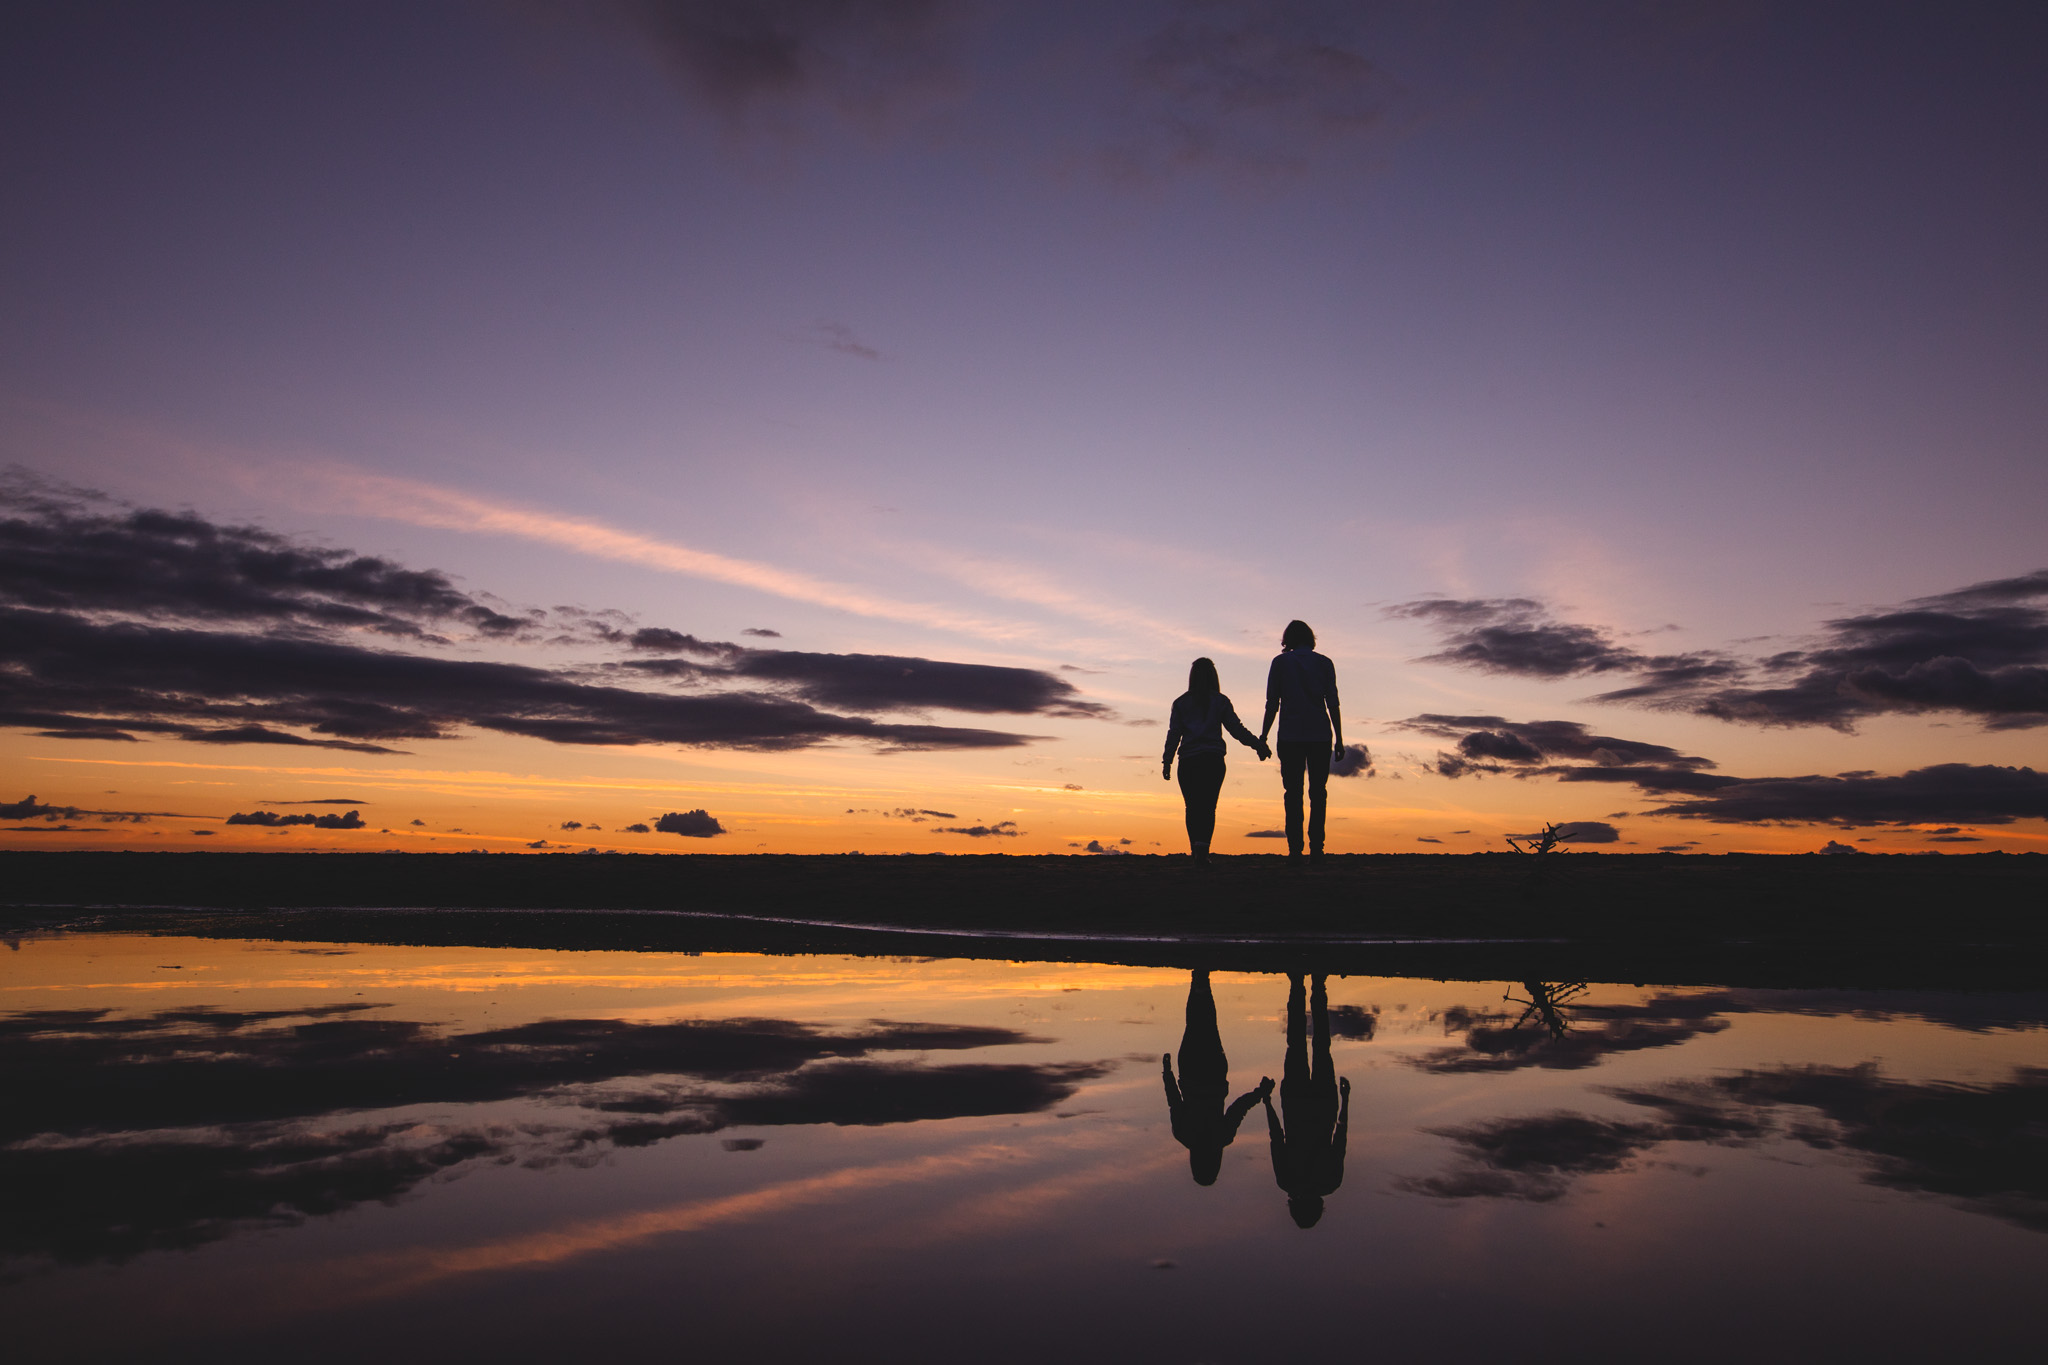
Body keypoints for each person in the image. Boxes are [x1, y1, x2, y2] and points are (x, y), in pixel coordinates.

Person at [1162, 970, 1272, 1185]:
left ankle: (1202, 981)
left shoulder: (1222, 1138)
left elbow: (1239, 1108)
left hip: (1213, 1076)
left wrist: (1260, 1093)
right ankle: (1199, 982)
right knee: (1195, 1025)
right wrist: (1167, 1073)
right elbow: (1174, 1101)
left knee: (1207, 1025)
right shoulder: (1185, 1136)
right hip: (1192, 1073)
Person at [1259, 972, 1350, 1228]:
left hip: (1323, 1105)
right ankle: (1297, 984)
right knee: (1296, 1043)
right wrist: (1267, 1102)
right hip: (1296, 1103)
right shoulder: (1286, 1182)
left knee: (1321, 1046)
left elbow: (1340, 1138)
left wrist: (1345, 1100)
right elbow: (1276, 1137)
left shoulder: (1330, 1183)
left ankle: (1318, 985)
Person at [1163, 657, 1269, 862]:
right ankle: (1202, 851)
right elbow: (1237, 729)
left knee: (1192, 807)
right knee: (1208, 807)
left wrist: (1167, 760)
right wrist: (1258, 744)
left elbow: (1174, 734)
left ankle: (1196, 851)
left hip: (1189, 761)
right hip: (1213, 760)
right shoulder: (1220, 701)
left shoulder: (1181, 703)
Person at [1259, 620, 1342, 860]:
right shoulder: (1325, 663)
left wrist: (1263, 735)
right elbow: (1333, 703)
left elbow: (1272, 703)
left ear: (1288, 639)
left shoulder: (1280, 663)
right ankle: (1317, 847)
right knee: (1319, 791)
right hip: (1319, 734)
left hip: (1290, 735)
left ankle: (1295, 848)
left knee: (1292, 792)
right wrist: (1339, 737)